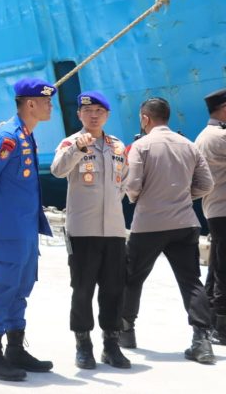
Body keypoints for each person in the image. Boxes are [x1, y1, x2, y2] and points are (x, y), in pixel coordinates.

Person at [0, 77, 55, 382]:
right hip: (9, 226)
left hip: (26, 225)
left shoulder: (26, 134)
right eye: (46, 101)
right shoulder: (8, 138)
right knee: (4, 285)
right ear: (30, 104)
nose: (50, 106)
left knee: (22, 285)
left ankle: (15, 349)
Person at [120, 97, 215, 364]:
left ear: (145, 118)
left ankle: (126, 330)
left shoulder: (140, 146)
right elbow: (207, 184)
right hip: (185, 222)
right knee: (191, 281)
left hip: (149, 223)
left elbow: (133, 184)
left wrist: (140, 198)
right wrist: (184, 197)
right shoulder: (189, 145)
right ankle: (202, 341)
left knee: (132, 275)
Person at [50, 91, 131, 370]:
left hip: (114, 231)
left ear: (107, 115)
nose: (94, 115)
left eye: (99, 110)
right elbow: (58, 170)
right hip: (83, 230)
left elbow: (124, 183)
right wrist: (78, 150)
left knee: (113, 289)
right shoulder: (71, 142)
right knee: (82, 289)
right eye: (88, 111)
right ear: (79, 115)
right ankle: (83, 345)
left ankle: (111, 344)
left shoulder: (118, 146)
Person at [194, 88, 226, 345]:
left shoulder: (209, 135)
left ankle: (208, 322)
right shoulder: (217, 137)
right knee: (223, 271)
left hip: (217, 209)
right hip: (223, 210)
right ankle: (221, 327)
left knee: (217, 268)